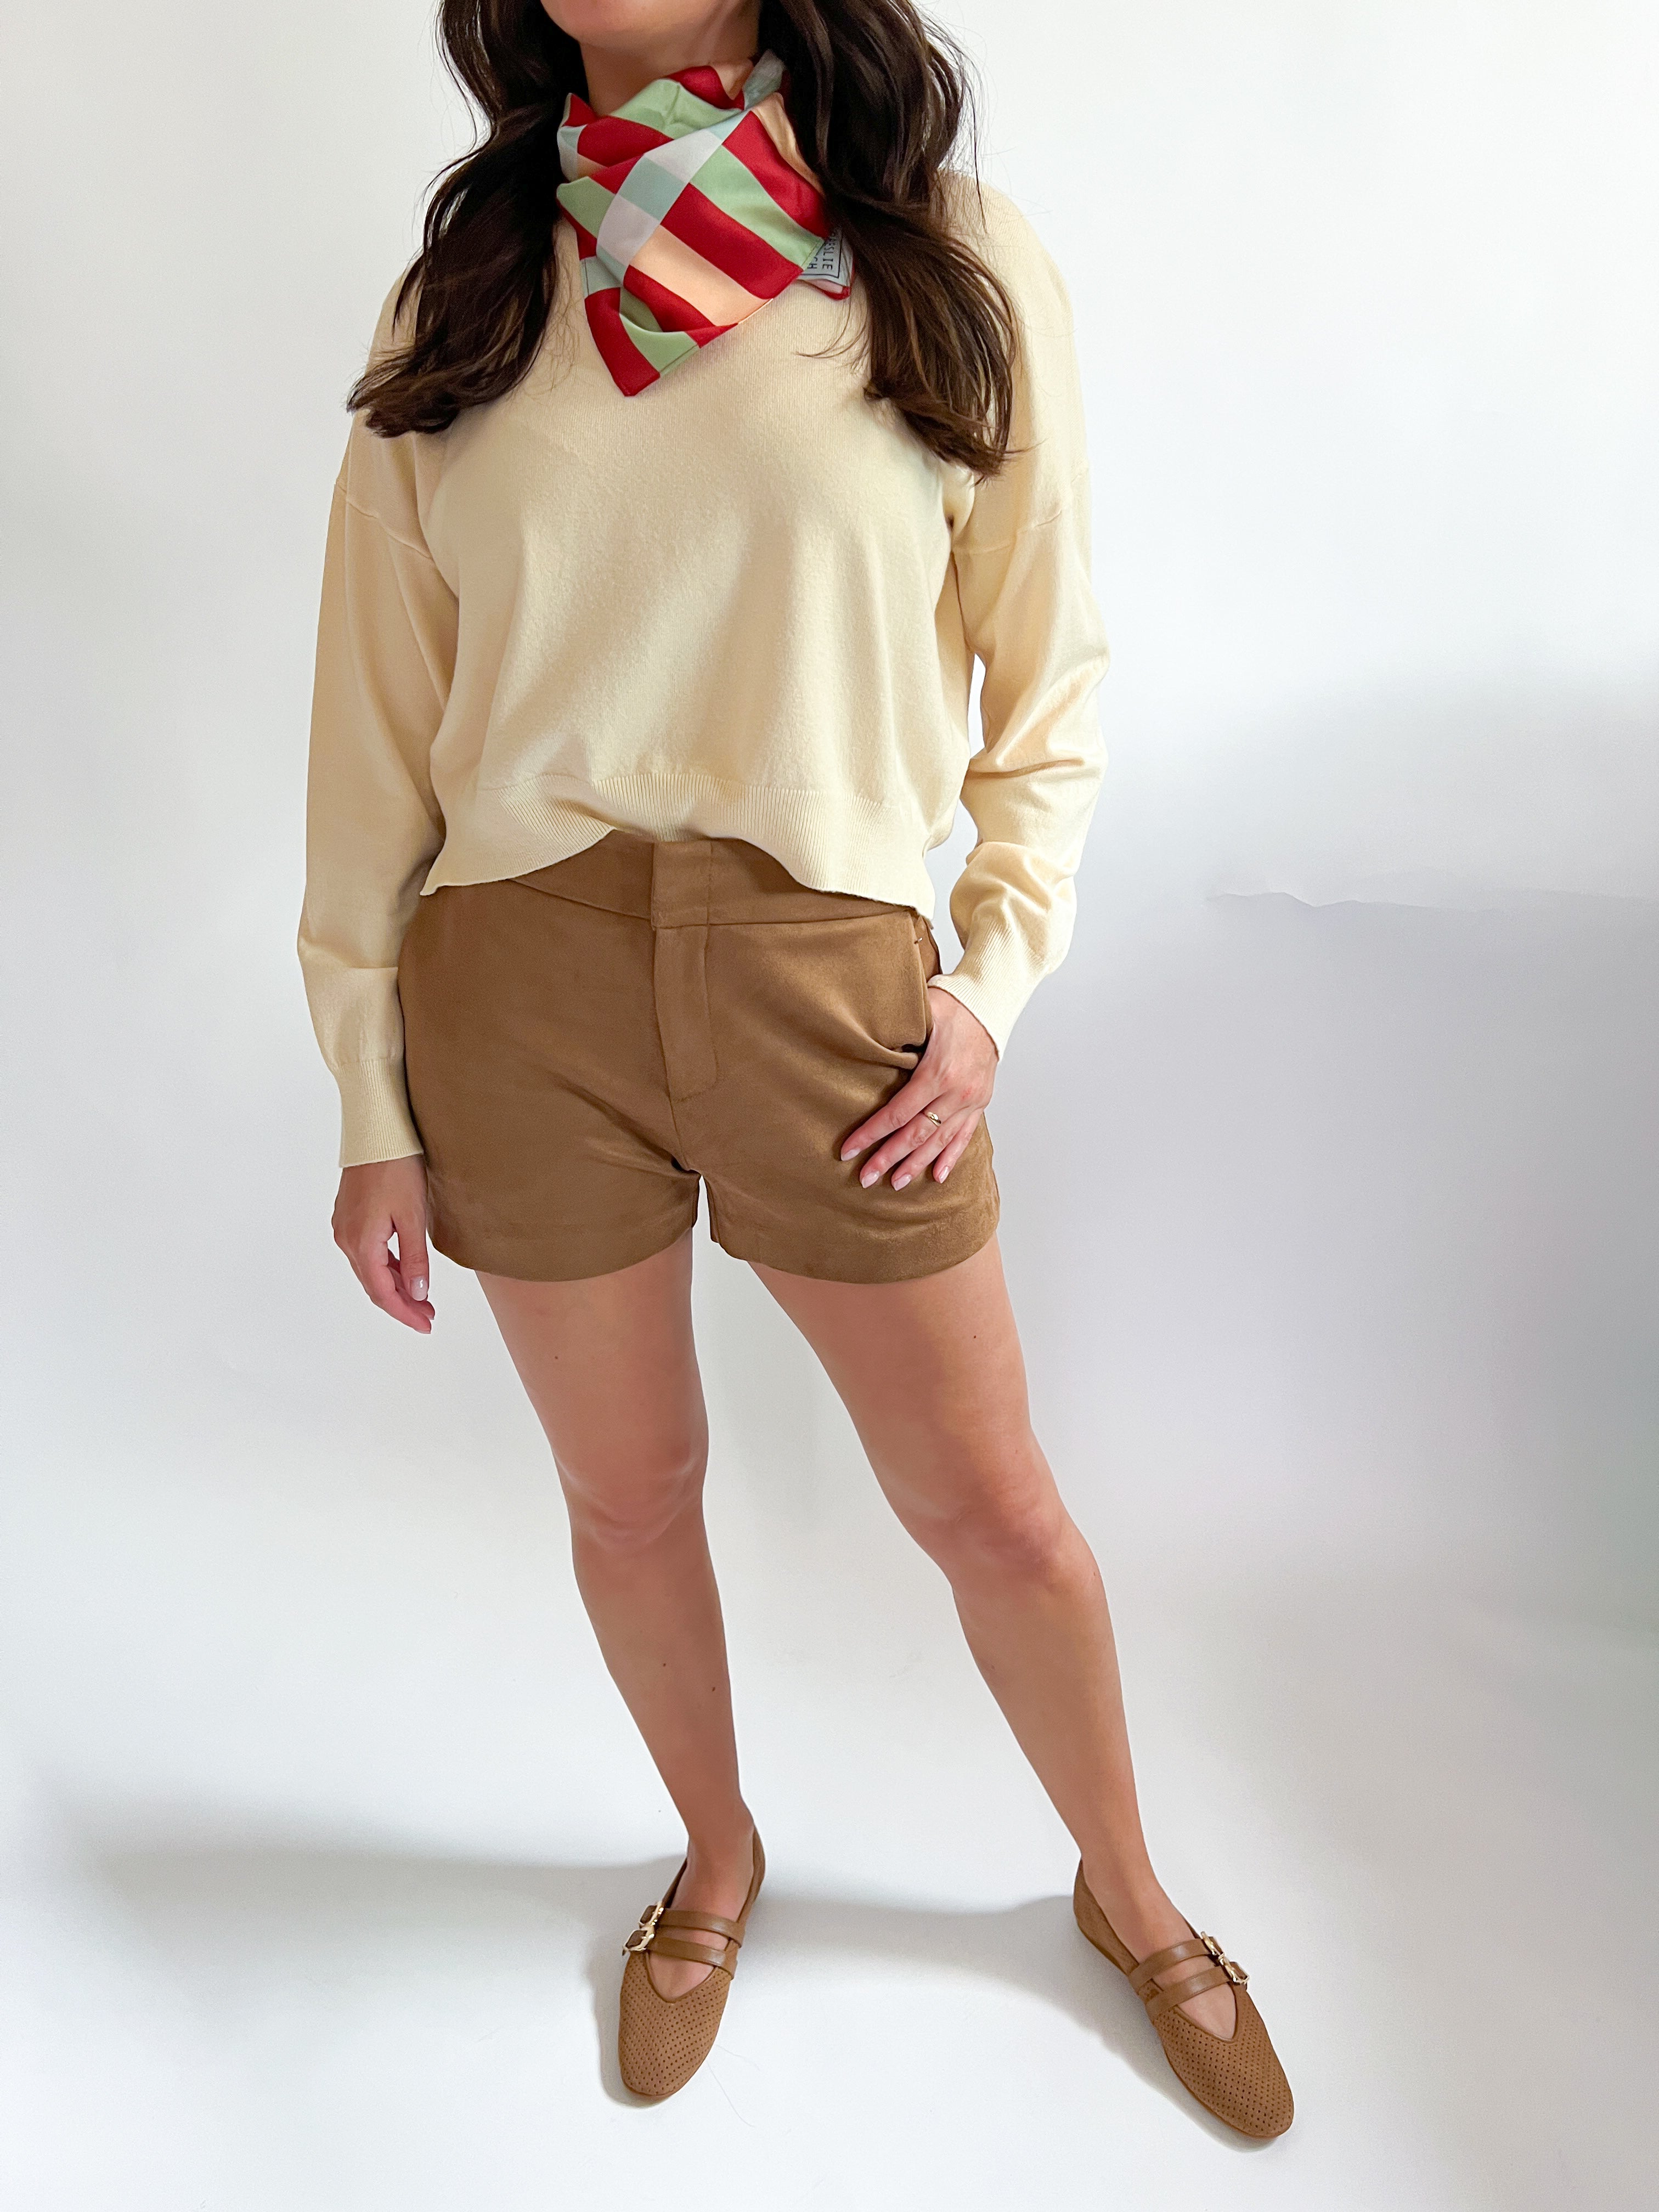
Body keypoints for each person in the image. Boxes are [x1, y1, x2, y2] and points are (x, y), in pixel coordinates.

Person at [297, 0, 1293, 2137]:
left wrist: (989, 982)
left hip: (824, 981)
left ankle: (1131, 1896)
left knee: (994, 1512)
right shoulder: (475, 284)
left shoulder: (944, 254)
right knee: (626, 1493)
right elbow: (370, 732)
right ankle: (716, 1854)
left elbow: (1050, 680)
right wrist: (371, 1095)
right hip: (515, 985)